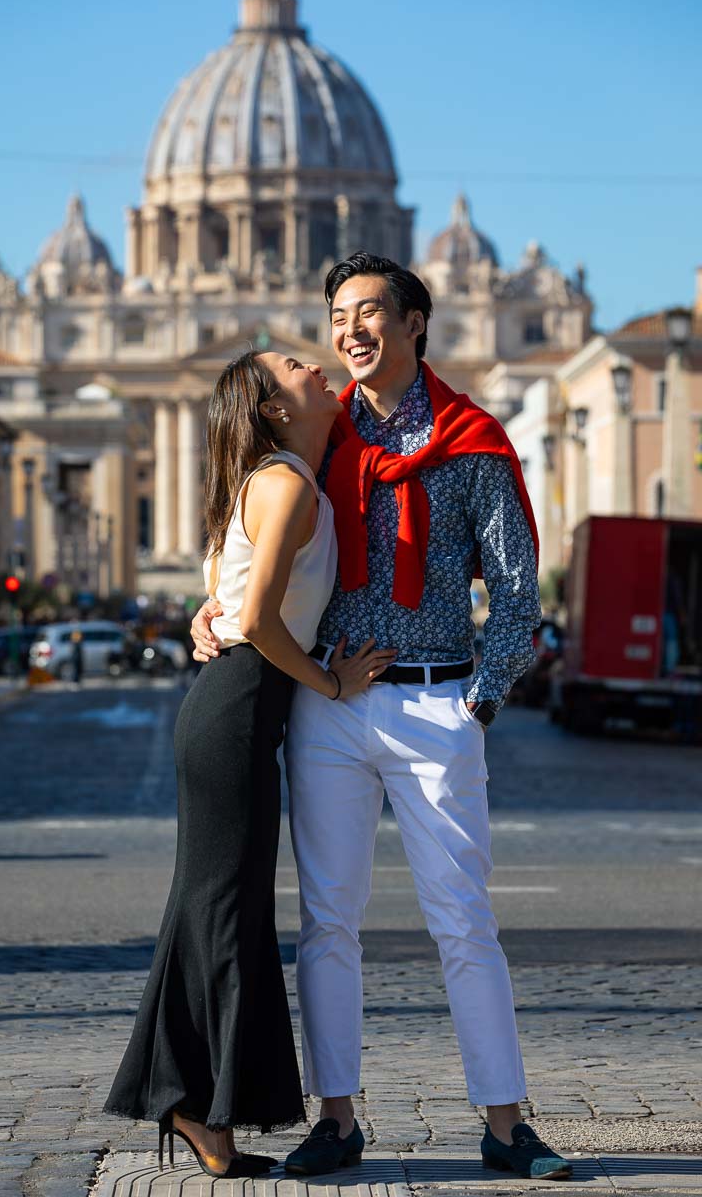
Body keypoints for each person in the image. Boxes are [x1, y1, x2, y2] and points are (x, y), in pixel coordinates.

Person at [191, 254, 573, 1182]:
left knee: (463, 921)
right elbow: (250, 532)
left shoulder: (475, 439)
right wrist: (209, 611)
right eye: (337, 316)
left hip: (438, 699)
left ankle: (507, 1125)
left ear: (413, 324)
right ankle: (336, 1119)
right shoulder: (319, 435)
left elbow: (517, 591)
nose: (350, 330)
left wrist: (479, 700)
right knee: (327, 922)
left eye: (368, 312)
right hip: (329, 709)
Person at [105, 349, 395, 1178]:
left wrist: (216, 613)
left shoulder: (273, 476)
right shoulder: (288, 483)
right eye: (299, 364)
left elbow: (235, 596)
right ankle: (198, 1105)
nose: (320, 361)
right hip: (239, 708)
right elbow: (264, 620)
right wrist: (331, 683)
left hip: (233, 711)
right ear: (272, 406)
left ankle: (196, 1102)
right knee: (224, 914)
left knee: (213, 910)